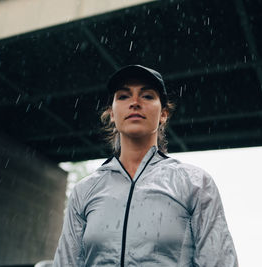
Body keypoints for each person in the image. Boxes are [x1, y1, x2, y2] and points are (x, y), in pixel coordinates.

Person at [53, 65, 238, 266]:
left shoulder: (195, 183)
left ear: (164, 114)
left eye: (147, 96)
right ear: (112, 114)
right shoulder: (84, 191)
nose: (134, 102)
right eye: (123, 96)